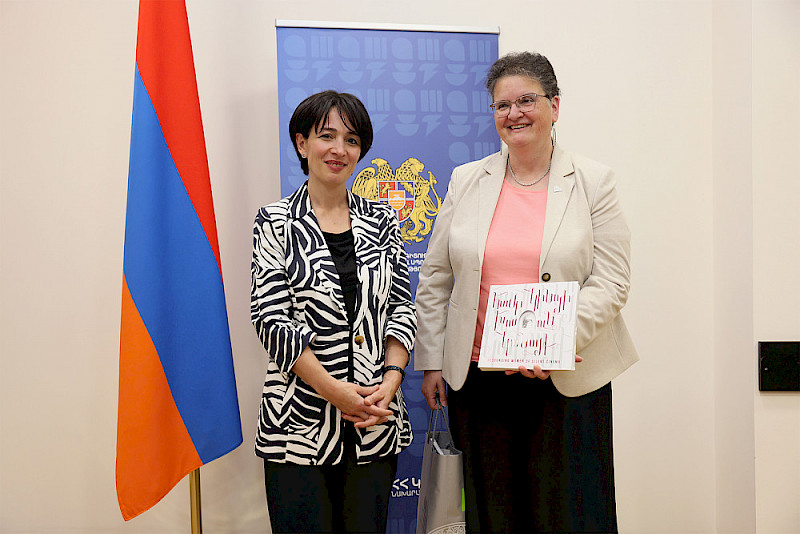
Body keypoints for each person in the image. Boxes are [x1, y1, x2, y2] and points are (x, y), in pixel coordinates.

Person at [414, 52, 639, 533]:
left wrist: (556, 343)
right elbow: (437, 276)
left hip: (567, 382)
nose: (514, 113)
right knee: (495, 514)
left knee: (570, 515)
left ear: (554, 106)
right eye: (501, 105)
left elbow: (613, 281)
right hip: (480, 382)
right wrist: (431, 359)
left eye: (526, 100)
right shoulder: (466, 179)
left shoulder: (594, 181)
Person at [250, 90, 417, 534]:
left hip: (375, 422)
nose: (339, 149)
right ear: (302, 143)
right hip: (297, 428)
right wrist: (333, 391)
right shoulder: (275, 222)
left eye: (351, 139)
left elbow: (402, 306)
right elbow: (271, 318)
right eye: (327, 136)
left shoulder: (382, 221)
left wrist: (392, 379)